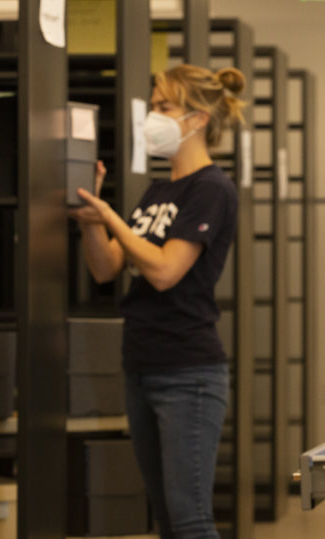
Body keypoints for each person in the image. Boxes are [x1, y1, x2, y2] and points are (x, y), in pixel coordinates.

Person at [69, 64, 246, 539]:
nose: (152, 117)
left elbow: (166, 271)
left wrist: (112, 217)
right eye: (153, 107)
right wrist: (92, 216)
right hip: (141, 363)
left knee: (190, 519)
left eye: (164, 107)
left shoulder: (211, 189)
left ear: (197, 119)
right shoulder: (157, 191)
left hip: (187, 372)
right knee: (167, 518)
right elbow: (107, 267)